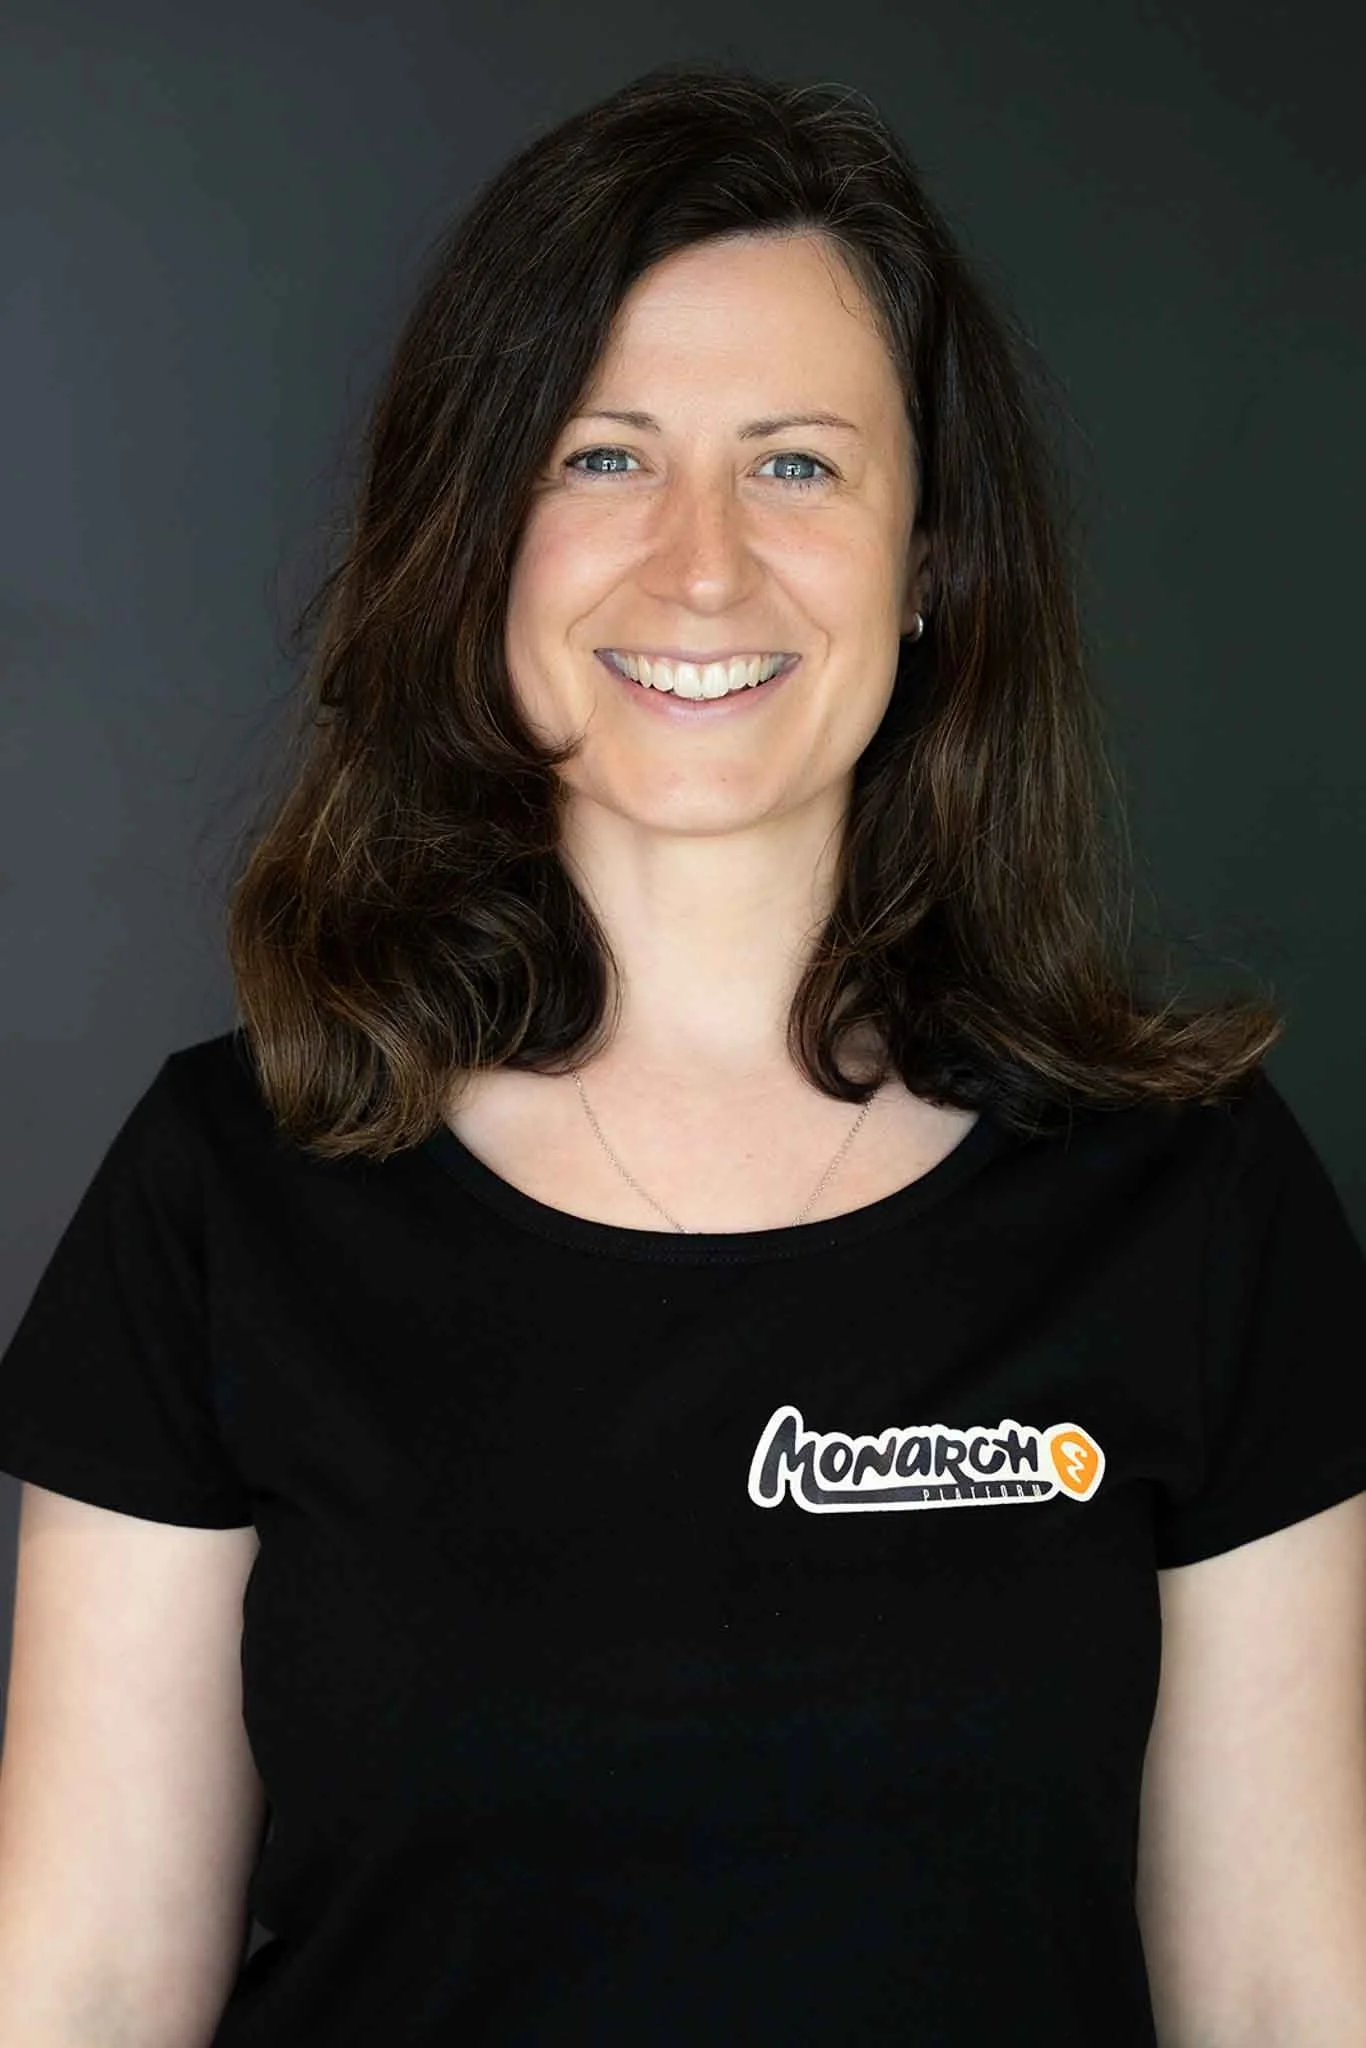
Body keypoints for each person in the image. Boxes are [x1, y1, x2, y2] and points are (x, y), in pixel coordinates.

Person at [0, 58, 1364, 2048]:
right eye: (600, 456)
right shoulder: (232, 1188)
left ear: (929, 570)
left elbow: (1278, 1996)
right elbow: (84, 1990)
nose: (701, 564)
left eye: (795, 464)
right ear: (477, 546)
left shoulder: (1188, 1195)